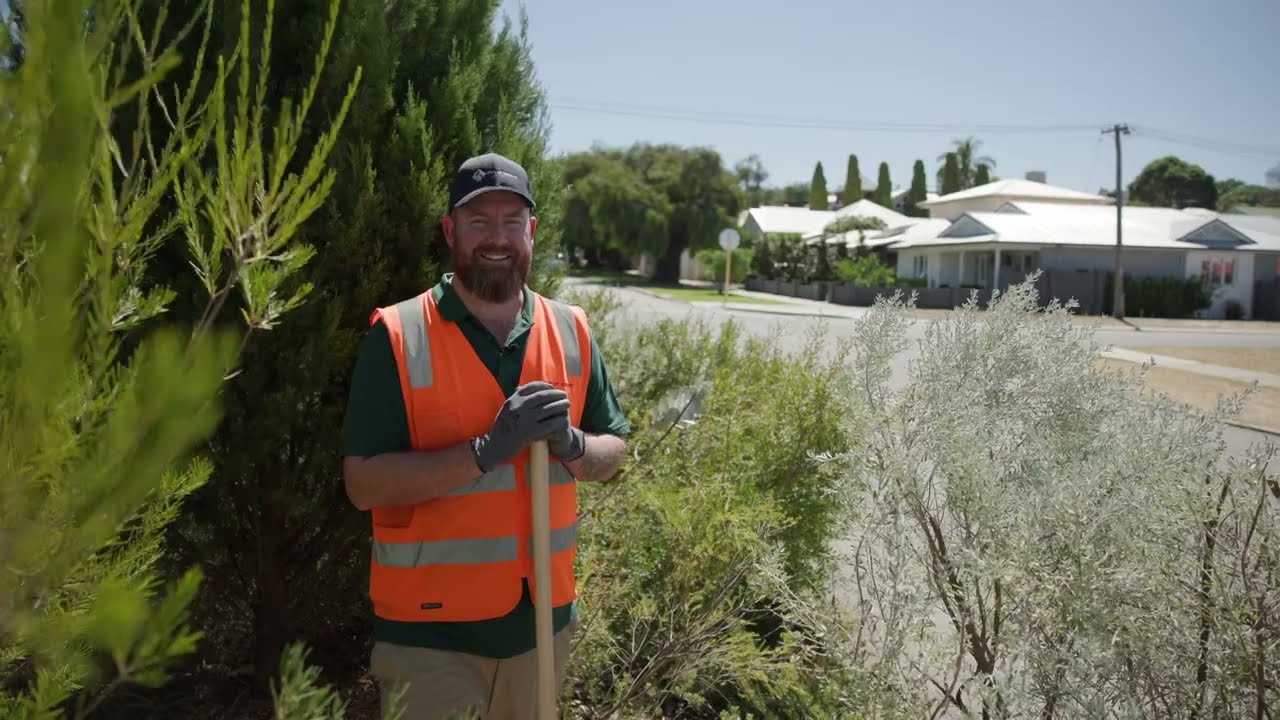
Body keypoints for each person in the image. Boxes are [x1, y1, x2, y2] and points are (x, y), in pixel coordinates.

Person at [341, 153, 630, 719]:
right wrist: (482, 453)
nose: (497, 238)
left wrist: (574, 445)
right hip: (430, 638)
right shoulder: (398, 335)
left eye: (510, 221)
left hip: (542, 629)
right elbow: (363, 484)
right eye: (478, 221)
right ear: (450, 231)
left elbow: (613, 451)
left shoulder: (570, 329)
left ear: (531, 231)